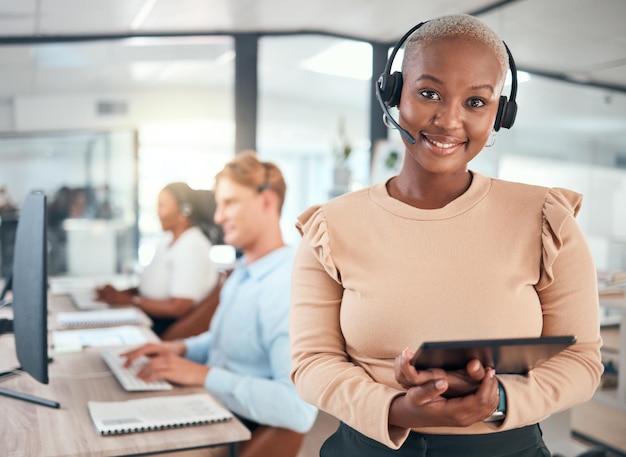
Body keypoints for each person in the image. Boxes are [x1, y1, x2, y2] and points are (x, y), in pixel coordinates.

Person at [289, 14, 603, 457]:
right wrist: (397, 408)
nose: (449, 120)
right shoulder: (330, 227)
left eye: (476, 102)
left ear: (500, 114)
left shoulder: (548, 220)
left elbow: (582, 360)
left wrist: (497, 401)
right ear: (395, 95)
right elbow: (312, 363)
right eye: (429, 92)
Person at [122, 152, 318, 457]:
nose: (217, 217)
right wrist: (181, 350)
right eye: (218, 204)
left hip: (231, 428)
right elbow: (225, 340)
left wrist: (201, 375)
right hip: (206, 405)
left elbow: (297, 409)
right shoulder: (242, 272)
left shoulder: (285, 285)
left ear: (267, 202)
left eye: (230, 203)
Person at [96, 182, 219, 336]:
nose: (157, 213)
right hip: (146, 315)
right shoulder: (168, 239)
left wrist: (131, 300)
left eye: (162, 206)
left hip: (164, 326)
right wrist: (119, 294)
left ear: (184, 210)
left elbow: (178, 307)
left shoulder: (192, 246)